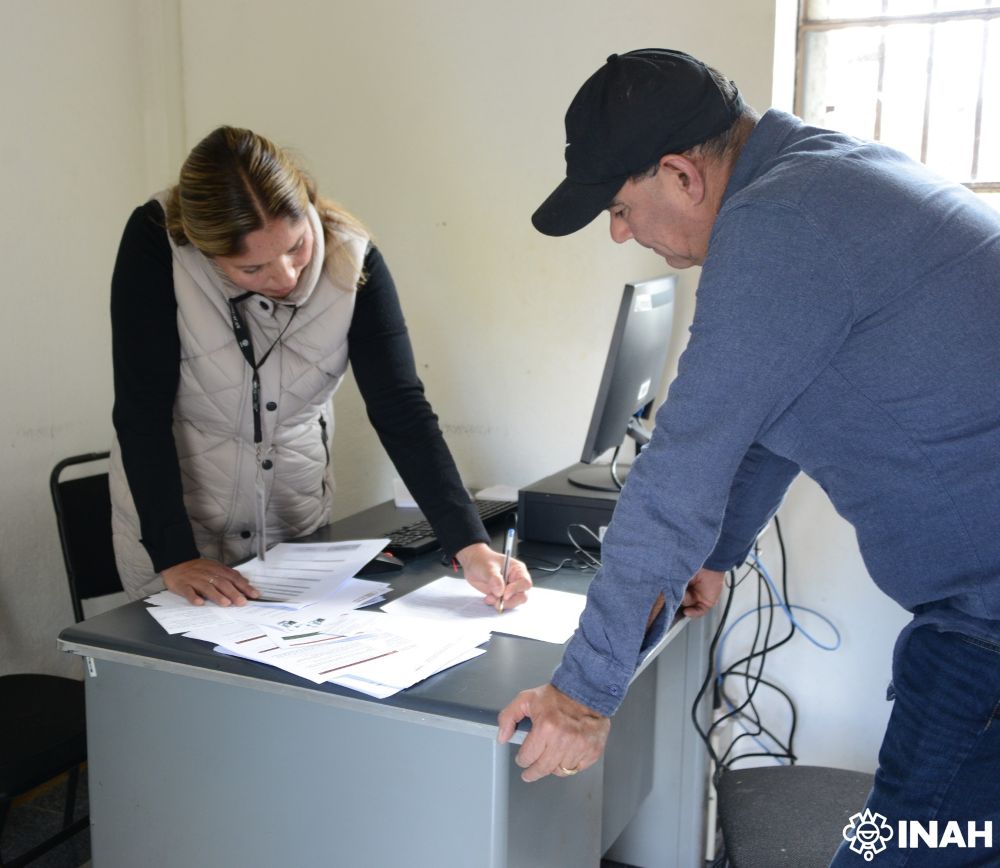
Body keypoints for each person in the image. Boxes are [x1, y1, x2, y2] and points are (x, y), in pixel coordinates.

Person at [497, 49, 1000, 866]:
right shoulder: (826, 174)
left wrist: (581, 695)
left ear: (679, 175)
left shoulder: (780, 226)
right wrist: (717, 551)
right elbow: (768, 422)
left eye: (620, 208)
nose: (620, 232)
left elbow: (680, 470)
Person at [110, 125, 531, 611]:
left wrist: (470, 545)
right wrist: (175, 556)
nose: (286, 276)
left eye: (297, 247)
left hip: (292, 525)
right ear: (204, 251)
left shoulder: (354, 259)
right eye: (252, 269)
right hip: (174, 523)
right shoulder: (157, 242)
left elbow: (400, 407)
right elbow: (141, 410)